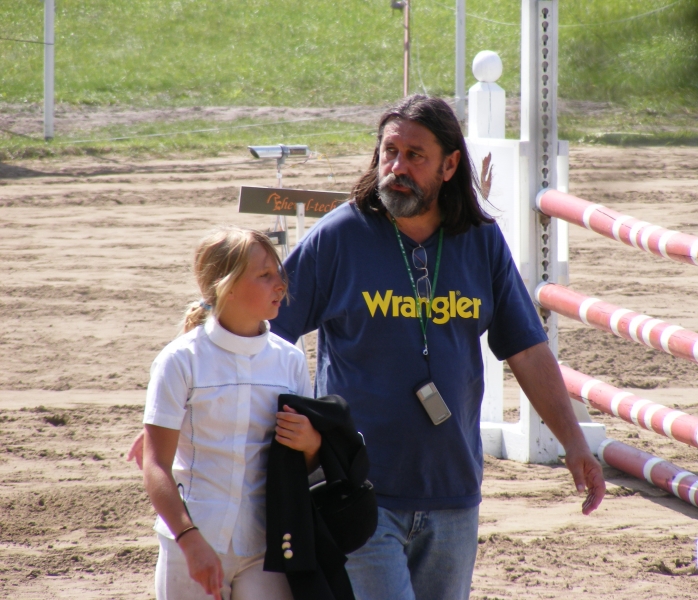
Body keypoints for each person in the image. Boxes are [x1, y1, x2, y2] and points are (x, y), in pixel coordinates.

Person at [130, 95, 605, 600]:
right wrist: (179, 408)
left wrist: (573, 441)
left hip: (454, 494)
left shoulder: (482, 242)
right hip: (357, 496)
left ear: (449, 166)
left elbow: (527, 350)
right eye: (389, 152)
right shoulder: (342, 235)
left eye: (415, 156)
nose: (397, 167)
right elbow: (256, 323)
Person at [141, 227, 320, 600]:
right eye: (264, 275)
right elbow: (155, 465)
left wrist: (311, 444)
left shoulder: (290, 360)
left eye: (278, 272)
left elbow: (303, 467)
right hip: (193, 544)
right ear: (227, 286)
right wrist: (189, 539)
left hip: (268, 547)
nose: (280, 284)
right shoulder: (179, 360)